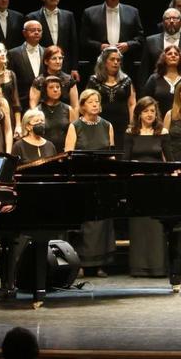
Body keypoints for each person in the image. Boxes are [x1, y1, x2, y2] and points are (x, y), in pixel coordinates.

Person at [65, 89, 115, 275]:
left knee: (101, 222)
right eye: (91, 101)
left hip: (101, 179)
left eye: (97, 101)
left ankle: (100, 262)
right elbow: (68, 155)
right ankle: (82, 263)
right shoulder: (75, 126)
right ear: (83, 105)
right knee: (85, 223)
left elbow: (111, 155)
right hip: (82, 178)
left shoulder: (107, 125)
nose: (95, 104)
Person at [124, 96, 172, 276]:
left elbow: (170, 160)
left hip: (156, 185)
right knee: (138, 226)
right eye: (146, 111)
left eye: (153, 111)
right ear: (139, 114)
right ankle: (138, 267)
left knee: (155, 226)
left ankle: (157, 267)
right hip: (137, 186)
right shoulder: (131, 133)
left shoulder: (162, 132)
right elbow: (125, 161)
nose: (150, 114)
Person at [79, 0, 145, 74]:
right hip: (99, 64)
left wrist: (128, 45)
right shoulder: (90, 13)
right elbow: (84, 40)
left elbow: (140, 38)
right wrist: (100, 46)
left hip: (125, 64)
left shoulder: (133, 12)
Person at [26, 0, 79, 79]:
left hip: (64, 65)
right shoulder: (32, 17)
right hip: (43, 64)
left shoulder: (68, 16)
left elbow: (73, 43)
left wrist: (74, 68)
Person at [86, 47, 135, 149]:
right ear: (104, 61)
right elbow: (87, 102)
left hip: (122, 125)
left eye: (118, 60)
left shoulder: (126, 80)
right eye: (112, 59)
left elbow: (132, 103)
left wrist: (132, 124)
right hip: (99, 123)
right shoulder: (94, 80)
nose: (116, 62)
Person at [141, 7, 181, 86]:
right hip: (156, 89)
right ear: (163, 22)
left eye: (175, 18)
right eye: (168, 18)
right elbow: (144, 71)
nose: (172, 21)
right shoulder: (150, 41)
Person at [141, 45, 181, 115]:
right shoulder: (154, 79)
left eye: (176, 54)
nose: (173, 56)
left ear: (180, 58)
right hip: (159, 122)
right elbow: (145, 101)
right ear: (164, 58)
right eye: (169, 54)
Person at [6, 21, 45, 112]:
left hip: (44, 103)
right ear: (24, 33)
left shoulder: (47, 52)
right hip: (23, 103)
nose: (36, 32)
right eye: (32, 30)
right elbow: (11, 81)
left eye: (39, 30)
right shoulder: (13, 53)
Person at [28, 45, 78, 110]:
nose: (58, 62)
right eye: (54, 58)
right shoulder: (38, 81)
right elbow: (33, 105)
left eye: (60, 58)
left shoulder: (69, 80)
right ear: (46, 61)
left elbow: (75, 106)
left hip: (65, 117)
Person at [37, 75, 77, 154]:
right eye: (51, 87)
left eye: (58, 87)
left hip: (64, 152)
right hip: (44, 153)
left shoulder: (69, 109)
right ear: (45, 90)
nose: (55, 90)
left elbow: (75, 133)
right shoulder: (38, 110)